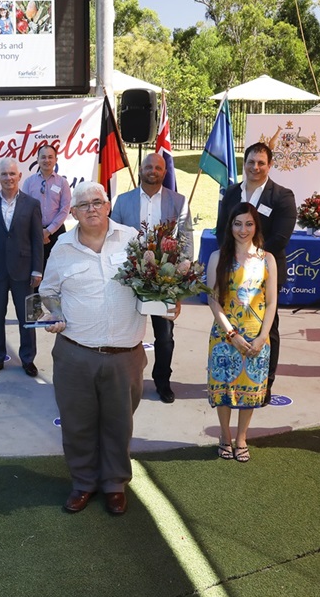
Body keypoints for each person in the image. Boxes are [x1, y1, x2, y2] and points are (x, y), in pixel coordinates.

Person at [40, 182, 178, 516]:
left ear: (108, 205)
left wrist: (169, 299)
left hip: (125, 356)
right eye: (83, 204)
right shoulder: (62, 247)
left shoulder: (132, 239)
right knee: (77, 423)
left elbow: (155, 280)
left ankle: (115, 484)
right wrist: (54, 311)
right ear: (73, 213)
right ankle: (83, 482)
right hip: (75, 352)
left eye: (97, 202)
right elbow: (48, 290)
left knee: (118, 424)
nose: (91, 209)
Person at [215, 142, 296, 403]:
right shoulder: (230, 193)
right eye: (251, 162)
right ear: (244, 163)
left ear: (270, 166)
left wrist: (252, 261)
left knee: (266, 326)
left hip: (265, 271)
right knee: (231, 319)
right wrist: (233, 260)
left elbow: (280, 237)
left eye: (261, 163)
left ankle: (264, 382)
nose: (255, 167)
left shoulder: (282, 196)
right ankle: (231, 375)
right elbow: (221, 231)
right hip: (231, 270)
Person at [112, 153, 193, 403]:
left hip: (165, 279)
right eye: (148, 166)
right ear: (141, 170)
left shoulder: (178, 201)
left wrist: (181, 278)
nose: (153, 171)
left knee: (165, 336)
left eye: (158, 167)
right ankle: (123, 381)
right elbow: (113, 238)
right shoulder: (123, 201)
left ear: (164, 172)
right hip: (131, 277)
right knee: (124, 333)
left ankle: (162, 381)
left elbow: (186, 239)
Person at [205, 203, 277, 462]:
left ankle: (242, 438)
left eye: (248, 224)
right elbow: (213, 300)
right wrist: (231, 334)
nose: (243, 229)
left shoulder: (267, 259)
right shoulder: (217, 257)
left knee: (250, 390)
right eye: (237, 224)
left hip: (257, 338)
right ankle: (225, 436)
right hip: (225, 336)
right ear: (230, 226)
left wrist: (262, 337)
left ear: (256, 226)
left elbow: (271, 302)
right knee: (223, 388)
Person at [0, 159, 43, 378]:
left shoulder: (32, 204)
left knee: (27, 317)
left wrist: (37, 269)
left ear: (19, 176)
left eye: (12, 174)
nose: (8, 178)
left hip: (24, 270)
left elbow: (37, 239)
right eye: (4, 174)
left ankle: (28, 359)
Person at [22, 143, 71, 269]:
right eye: (43, 157)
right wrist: (38, 232)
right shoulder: (29, 182)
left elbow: (64, 209)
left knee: (56, 269)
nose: (47, 160)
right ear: (37, 160)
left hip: (56, 232)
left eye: (50, 157)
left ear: (56, 160)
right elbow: (24, 208)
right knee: (36, 270)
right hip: (33, 231)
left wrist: (48, 231)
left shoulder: (63, 183)